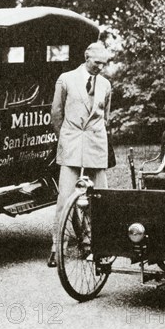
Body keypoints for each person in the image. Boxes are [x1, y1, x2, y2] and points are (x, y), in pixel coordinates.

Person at [47, 42, 111, 267]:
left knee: (100, 198)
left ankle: (96, 244)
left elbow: (105, 117)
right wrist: (65, 137)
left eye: (104, 64)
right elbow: (56, 112)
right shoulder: (66, 79)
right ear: (86, 57)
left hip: (96, 144)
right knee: (65, 198)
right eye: (96, 63)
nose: (100, 68)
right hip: (72, 142)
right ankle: (58, 248)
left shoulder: (105, 84)